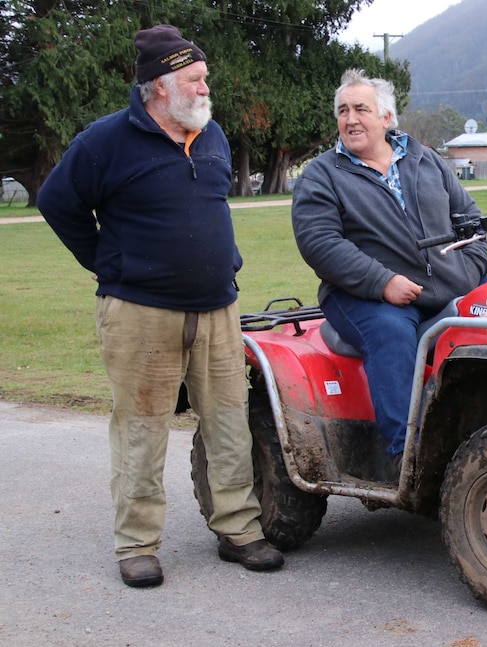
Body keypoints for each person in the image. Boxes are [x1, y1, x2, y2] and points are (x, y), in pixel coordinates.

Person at [37, 24, 284, 588]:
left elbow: (210, 207)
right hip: (140, 312)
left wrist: (230, 261)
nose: (204, 88)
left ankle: (239, 530)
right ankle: (137, 544)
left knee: (228, 423)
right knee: (142, 428)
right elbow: (56, 202)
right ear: (158, 87)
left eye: (204, 79)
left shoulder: (213, 134)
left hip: (218, 308)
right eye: (194, 79)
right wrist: (108, 262)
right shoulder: (105, 141)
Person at [291, 68, 487, 468]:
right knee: (391, 333)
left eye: (361, 109)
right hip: (364, 296)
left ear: (386, 118)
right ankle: (408, 455)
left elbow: (472, 223)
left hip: (448, 285)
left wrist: (468, 275)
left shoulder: (426, 160)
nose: (350, 119)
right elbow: (320, 242)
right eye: (343, 111)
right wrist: (382, 282)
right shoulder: (323, 175)